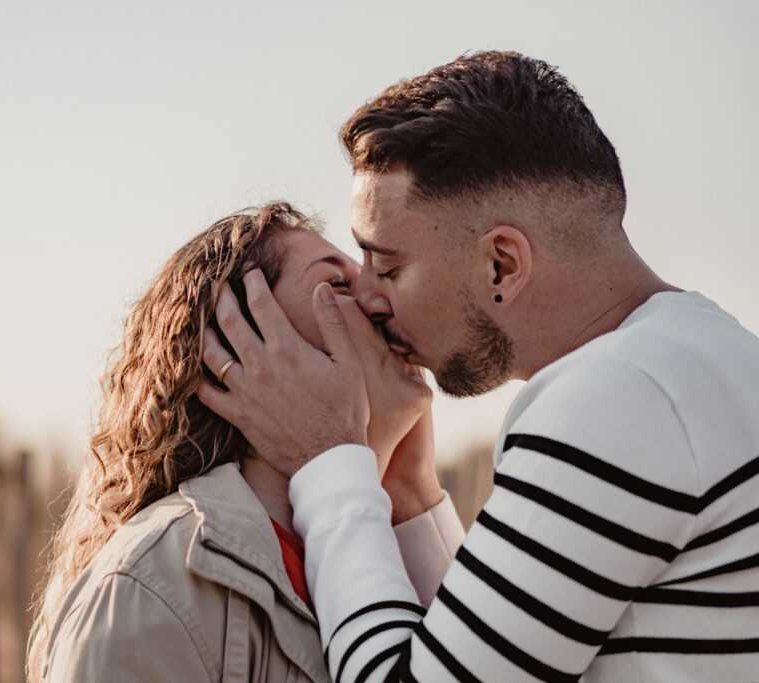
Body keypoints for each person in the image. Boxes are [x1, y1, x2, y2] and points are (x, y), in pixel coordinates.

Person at [199, 51, 759, 681]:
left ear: (501, 266)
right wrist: (408, 497)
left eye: (387, 265)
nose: (368, 297)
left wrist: (329, 464)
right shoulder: (708, 363)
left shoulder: (617, 400)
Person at [27, 203, 466, 682]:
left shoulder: (387, 546)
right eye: (338, 285)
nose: (384, 300)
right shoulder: (154, 588)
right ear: (246, 347)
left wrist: (411, 496)